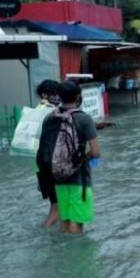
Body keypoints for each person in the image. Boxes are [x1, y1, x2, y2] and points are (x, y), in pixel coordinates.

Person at [40, 80, 100, 234]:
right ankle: (78, 256)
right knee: (77, 223)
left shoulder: (49, 117)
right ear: (78, 96)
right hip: (79, 179)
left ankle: (63, 255)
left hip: (57, 178)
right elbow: (95, 152)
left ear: (59, 96)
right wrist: (83, 159)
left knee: (65, 222)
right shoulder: (84, 119)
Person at [34, 79, 61, 227]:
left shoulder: (37, 111)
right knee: (55, 210)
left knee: (57, 207)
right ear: (45, 95)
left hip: (42, 162)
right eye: (54, 94)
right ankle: (44, 237)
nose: (57, 97)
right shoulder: (51, 112)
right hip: (52, 162)